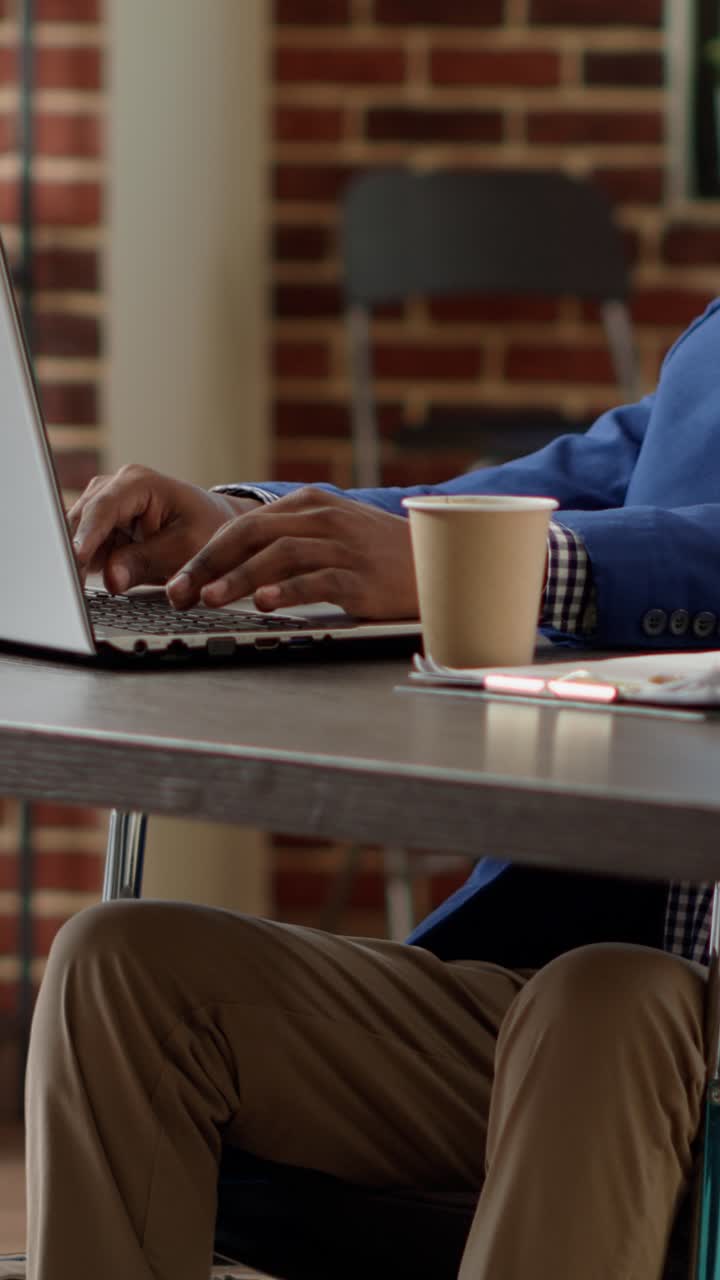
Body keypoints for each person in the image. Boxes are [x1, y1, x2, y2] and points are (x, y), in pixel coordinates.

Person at [5, 298, 720, 1280]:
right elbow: (563, 488)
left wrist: (489, 569)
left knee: (606, 999)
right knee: (124, 971)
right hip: (565, 997)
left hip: (640, 1017)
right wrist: (253, 533)